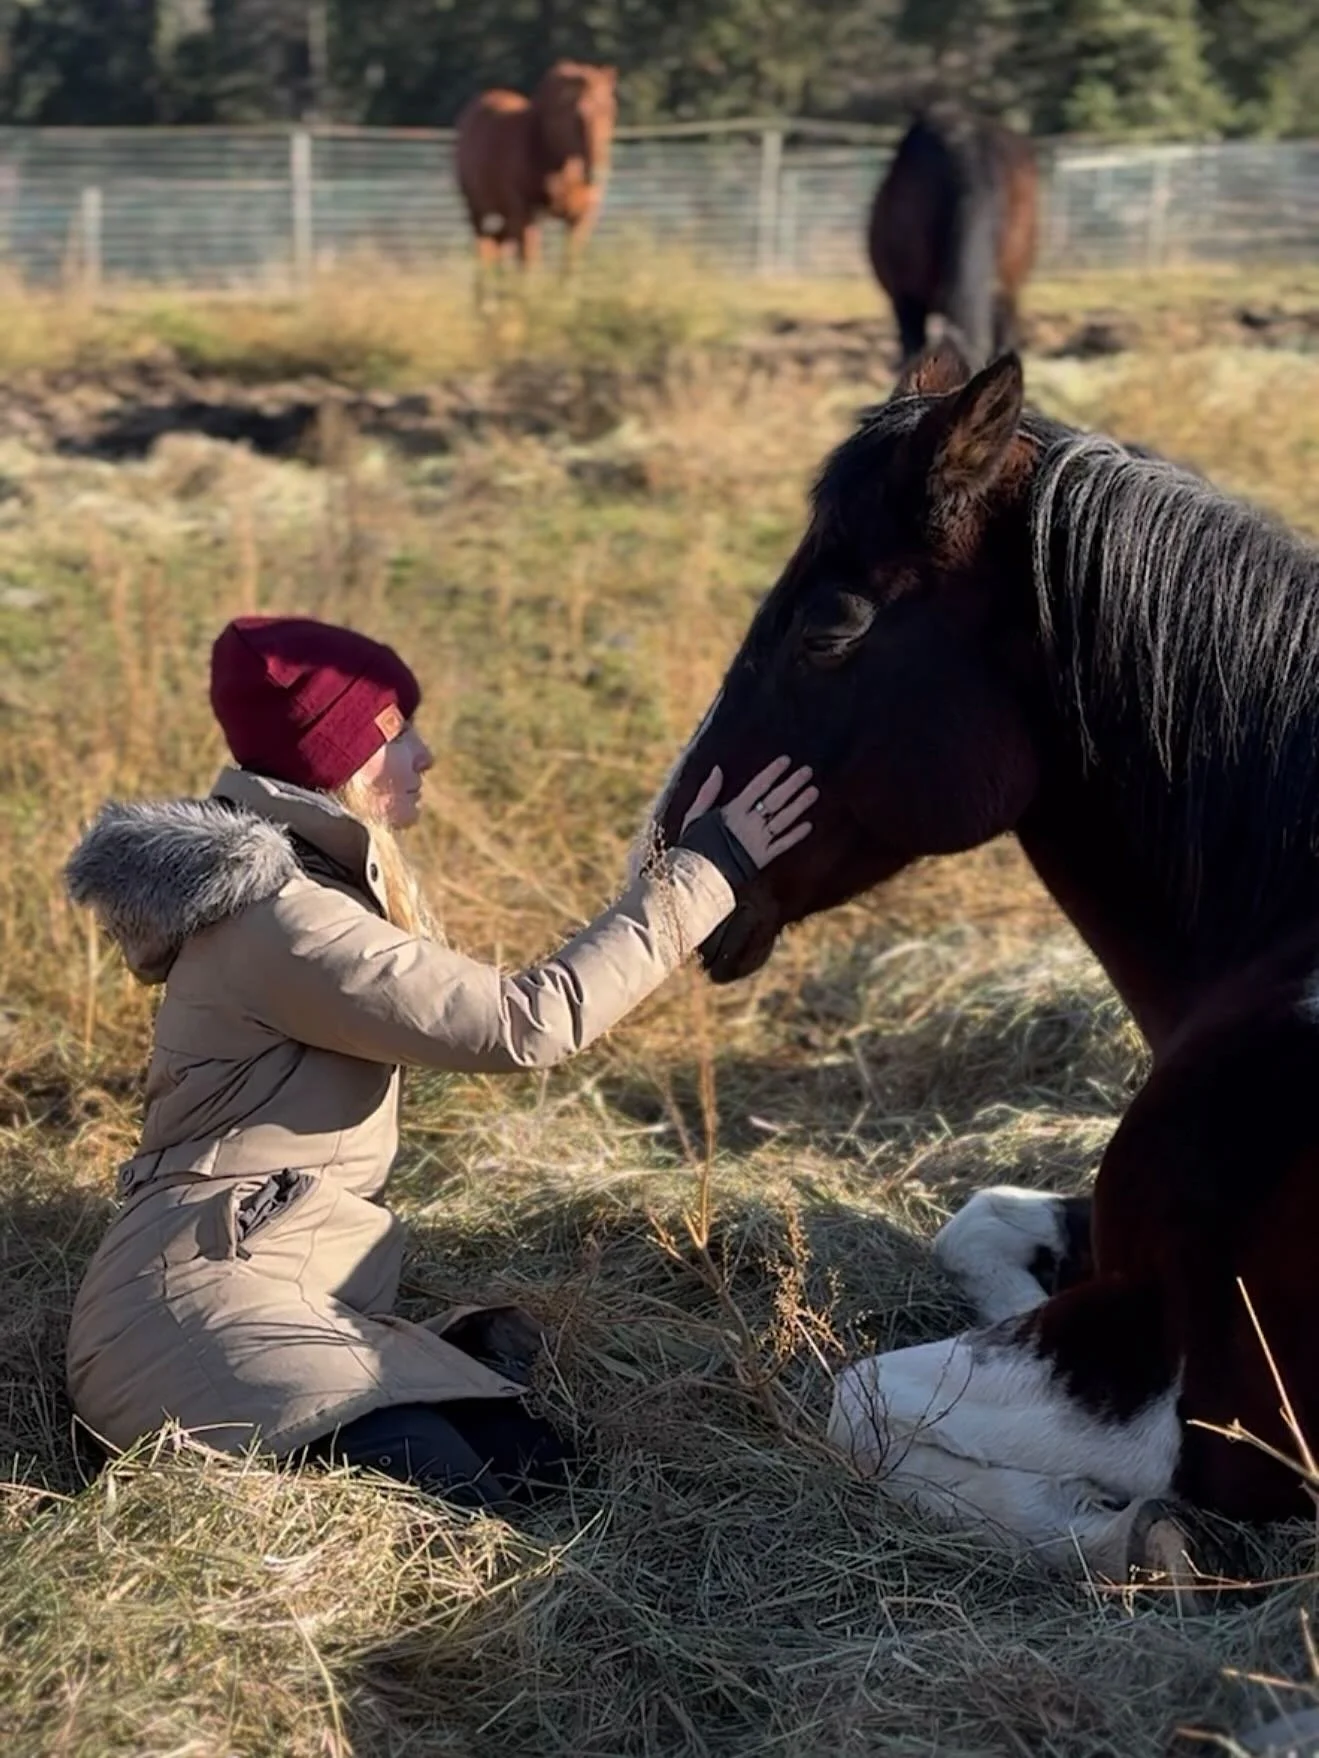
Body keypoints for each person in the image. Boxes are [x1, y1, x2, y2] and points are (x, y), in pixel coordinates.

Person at [64, 614, 816, 1511]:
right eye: (398, 733)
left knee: (542, 1475)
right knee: (459, 1514)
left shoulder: (296, 900)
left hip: (260, 1292)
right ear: (341, 757)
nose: (426, 757)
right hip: (190, 1315)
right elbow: (525, 1021)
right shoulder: (283, 922)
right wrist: (708, 869)